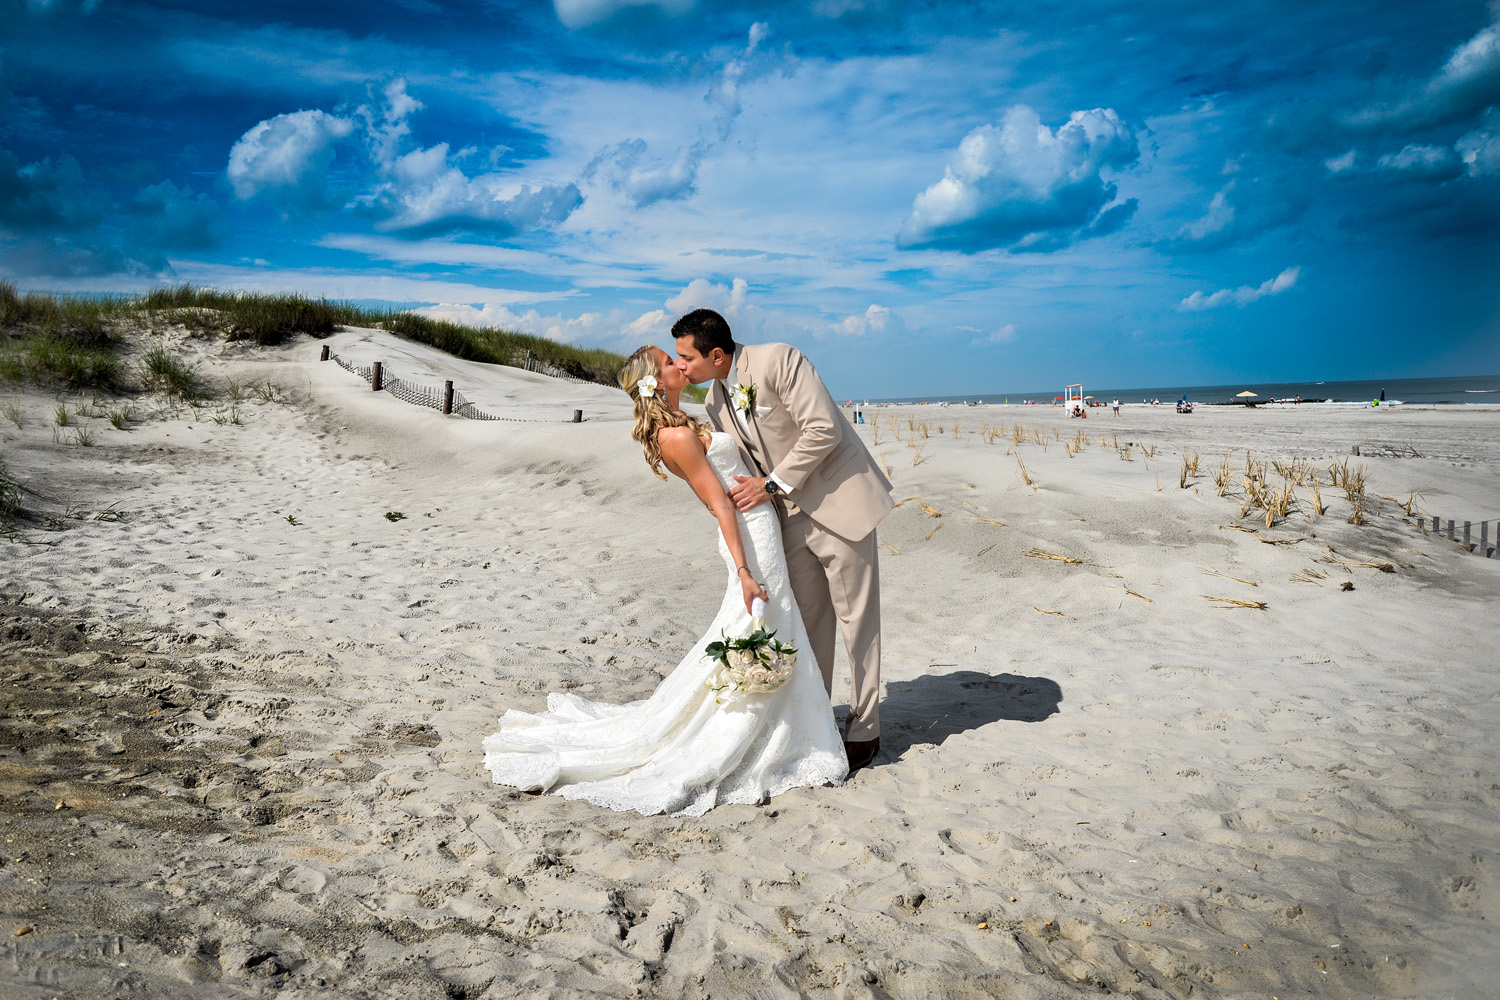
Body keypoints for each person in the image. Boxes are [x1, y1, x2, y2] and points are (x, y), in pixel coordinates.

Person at [481, 346, 847, 816]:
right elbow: (719, 506)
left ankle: (787, 725)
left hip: (759, 530)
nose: (681, 365)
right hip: (748, 541)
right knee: (759, 622)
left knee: (771, 624)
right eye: (669, 362)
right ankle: (759, 728)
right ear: (656, 380)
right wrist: (743, 571)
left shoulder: (684, 421)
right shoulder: (673, 434)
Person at [673, 309, 894, 773]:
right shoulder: (715, 401)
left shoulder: (779, 360)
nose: (683, 368)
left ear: (716, 354)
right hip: (786, 521)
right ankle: (818, 719)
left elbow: (824, 428)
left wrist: (771, 485)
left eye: (686, 358)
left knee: (858, 622)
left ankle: (865, 726)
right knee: (809, 625)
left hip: (839, 501)